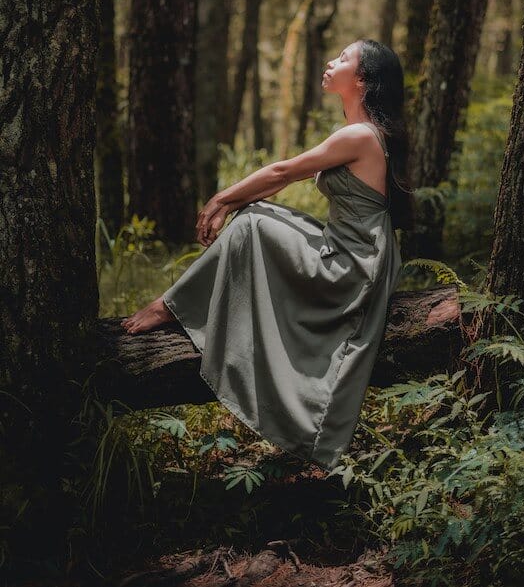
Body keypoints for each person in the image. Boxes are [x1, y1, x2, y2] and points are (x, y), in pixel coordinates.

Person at [121, 38, 415, 471]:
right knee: (257, 214)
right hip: (357, 252)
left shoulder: (359, 135)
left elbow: (282, 171)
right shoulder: (362, 134)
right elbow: (280, 182)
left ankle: (170, 306)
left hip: (353, 265)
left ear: (363, 79)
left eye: (343, 59)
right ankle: (184, 306)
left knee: (253, 223)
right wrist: (232, 202)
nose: (331, 61)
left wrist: (222, 198)